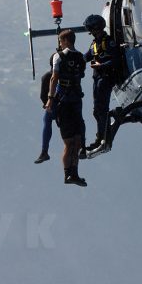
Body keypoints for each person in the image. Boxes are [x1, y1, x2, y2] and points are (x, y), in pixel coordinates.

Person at [51, 29, 87, 186]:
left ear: (65, 40)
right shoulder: (80, 58)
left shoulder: (58, 57)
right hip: (74, 101)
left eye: (60, 41)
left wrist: (50, 99)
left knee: (72, 142)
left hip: (66, 102)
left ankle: (73, 174)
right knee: (75, 141)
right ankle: (69, 174)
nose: (59, 44)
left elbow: (54, 78)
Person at [83, 13, 118, 152]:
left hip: (106, 78)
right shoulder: (95, 44)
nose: (90, 32)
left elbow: (116, 60)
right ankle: (100, 137)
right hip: (97, 79)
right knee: (97, 110)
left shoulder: (108, 42)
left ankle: (103, 138)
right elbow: (86, 57)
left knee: (101, 109)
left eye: (90, 29)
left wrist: (101, 66)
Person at [34, 61, 55, 164]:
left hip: (52, 105)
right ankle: (82, 144)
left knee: (47, 121)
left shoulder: (47, 76)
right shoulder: (66, 73)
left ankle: (44, 151)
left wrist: (46, 104)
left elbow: (43, 95)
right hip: (66, 103)